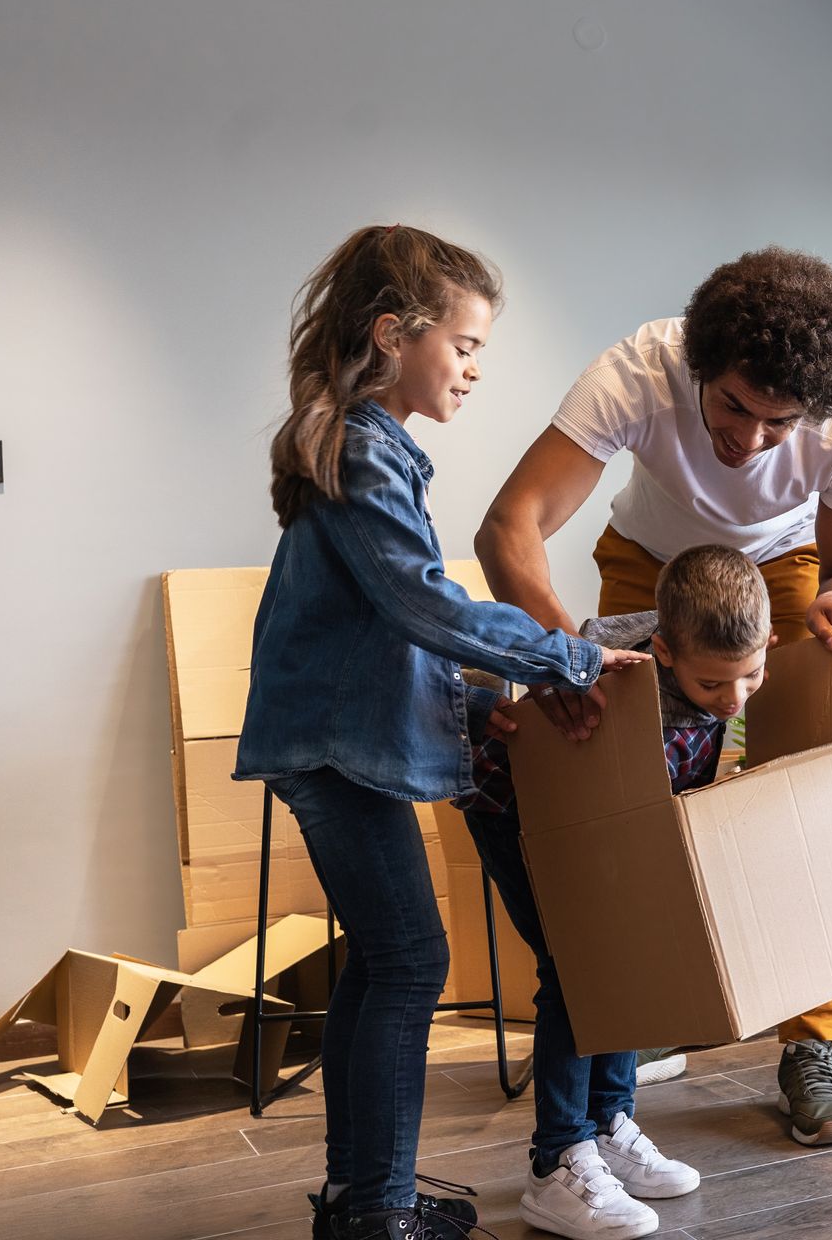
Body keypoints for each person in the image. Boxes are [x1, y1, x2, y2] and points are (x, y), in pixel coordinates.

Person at [233, 224, 646, 1240]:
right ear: (391, 335)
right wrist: (568, 654)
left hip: (340, 736)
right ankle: (375, 1206)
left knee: (385, 963)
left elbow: (387, 635)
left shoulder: (374, 450)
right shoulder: (367, 453)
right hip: (336, 750)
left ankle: (360, 1191)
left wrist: (472, 702)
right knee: (413, 959)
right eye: (464, 345)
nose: (472, 368)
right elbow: (424, 604)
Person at [475, 246, 832, 1145]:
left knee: (801, 806)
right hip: (648, 567)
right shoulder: (638, 372)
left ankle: (811, 1046)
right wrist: (566, 659)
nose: (748, 440)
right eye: (734, 406)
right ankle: (639, 1011)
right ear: (700, 365)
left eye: (780, 424)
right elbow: (509, 530)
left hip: (781, 575)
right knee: (626, 806)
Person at [453, 545, 775, 1238]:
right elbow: (581, 787)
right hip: (521, 807)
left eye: (751, 675)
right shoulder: (611, 688)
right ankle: (556, 1161)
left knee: (621, 956)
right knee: (578, 968)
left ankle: (605, 1124)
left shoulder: (720, 667)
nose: (736, 698)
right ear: (660, 652)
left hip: (618, 814)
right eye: (715, 685)